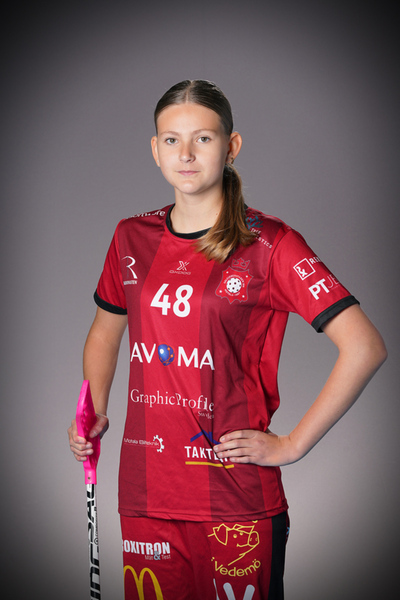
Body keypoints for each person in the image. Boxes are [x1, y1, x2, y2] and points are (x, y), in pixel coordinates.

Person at [68, 80, 387, 600]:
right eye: (171, 140)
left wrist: (293, 445)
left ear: (231, 146)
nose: (186, 154)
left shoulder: (271, 243)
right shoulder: (130, 236)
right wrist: (94, 411)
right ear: (155, 150)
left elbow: (365, 346)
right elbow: (106, 333)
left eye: (203, 138)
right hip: (148, 493)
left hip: (236, 499)